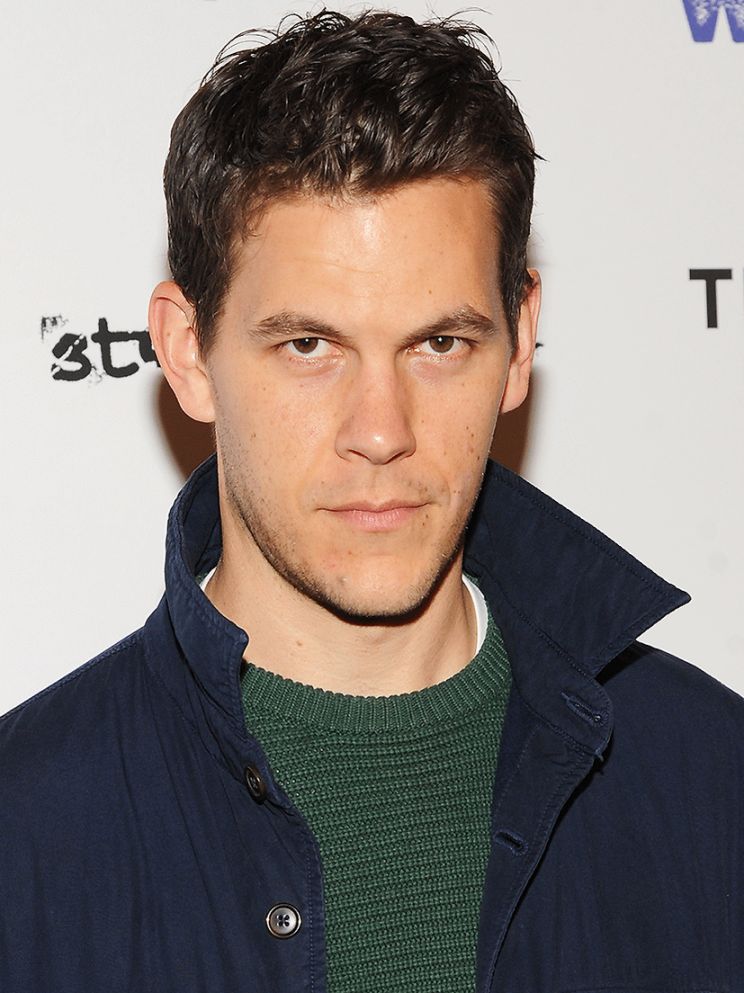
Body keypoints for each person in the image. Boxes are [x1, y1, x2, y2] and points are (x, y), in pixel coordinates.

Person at [1, 9, 742, 993]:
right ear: (187, 352)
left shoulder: (712, 780)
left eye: (440, 343)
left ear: (521, 341)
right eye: (309, 345)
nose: (382, 430)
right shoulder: (25, 830)